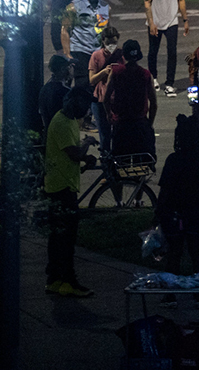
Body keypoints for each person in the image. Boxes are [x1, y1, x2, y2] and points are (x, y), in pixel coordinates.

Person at [43, 90, 98, 297]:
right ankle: (68, 281)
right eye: (85, 106)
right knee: (66, 239)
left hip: (62, 184)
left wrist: (86, 158)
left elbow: (70, 153)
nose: (87, 111)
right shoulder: (63, 123)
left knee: (57, 238)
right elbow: (74, 153)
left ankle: (54, 279)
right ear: (75, 103)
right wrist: (86, 144)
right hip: (62, 188)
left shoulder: (67, 121)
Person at [155, 114, 199, 308]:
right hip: (197, 212)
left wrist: (158, 216)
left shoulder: (174, 160)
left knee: (174, 254)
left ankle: (170, 294)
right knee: (197, 253)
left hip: (175, 214)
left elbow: (164, 191)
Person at [141, 0, 189, 98]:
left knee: (172, 52)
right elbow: (147, 2)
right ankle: (153, 77)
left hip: (172, 20)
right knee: (153, 51)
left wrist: (185, 20)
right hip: (155, 20)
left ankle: (169, 83)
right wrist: (151, 22)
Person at [104, 39, 158, 157]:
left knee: (120, 159)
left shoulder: (116, 72)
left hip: (122, 122)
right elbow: (153, 103)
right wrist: (149, 123)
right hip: (139, 122)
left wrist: (109, 114)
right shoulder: (145, 74)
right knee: (143, 158)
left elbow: (106, 97)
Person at [62, 0, 110, 90]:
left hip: (98, 52)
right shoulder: (73, 7)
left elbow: (108, 31)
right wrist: (68, 54)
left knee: (99, 87)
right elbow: (65, 30)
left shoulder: (105, 7)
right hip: (81, 52)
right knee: (82, 86)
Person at [87, 26, 123, 153]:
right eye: (108, 43)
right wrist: (104, 72)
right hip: (100, 100)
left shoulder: (120, 54)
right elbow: (92, 80)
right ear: (103, 41)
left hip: (117, 99)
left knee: (118, 134)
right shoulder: (96, 56)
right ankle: (105, 162)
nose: (111, 45)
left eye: (114, 42)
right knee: (104, 135)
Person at [40, 55, 73, 132]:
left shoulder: (45, 88)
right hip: (62, 133)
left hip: (49, 131)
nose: (71, 69)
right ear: (62, 69)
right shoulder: (64, 91)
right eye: (69, 67)